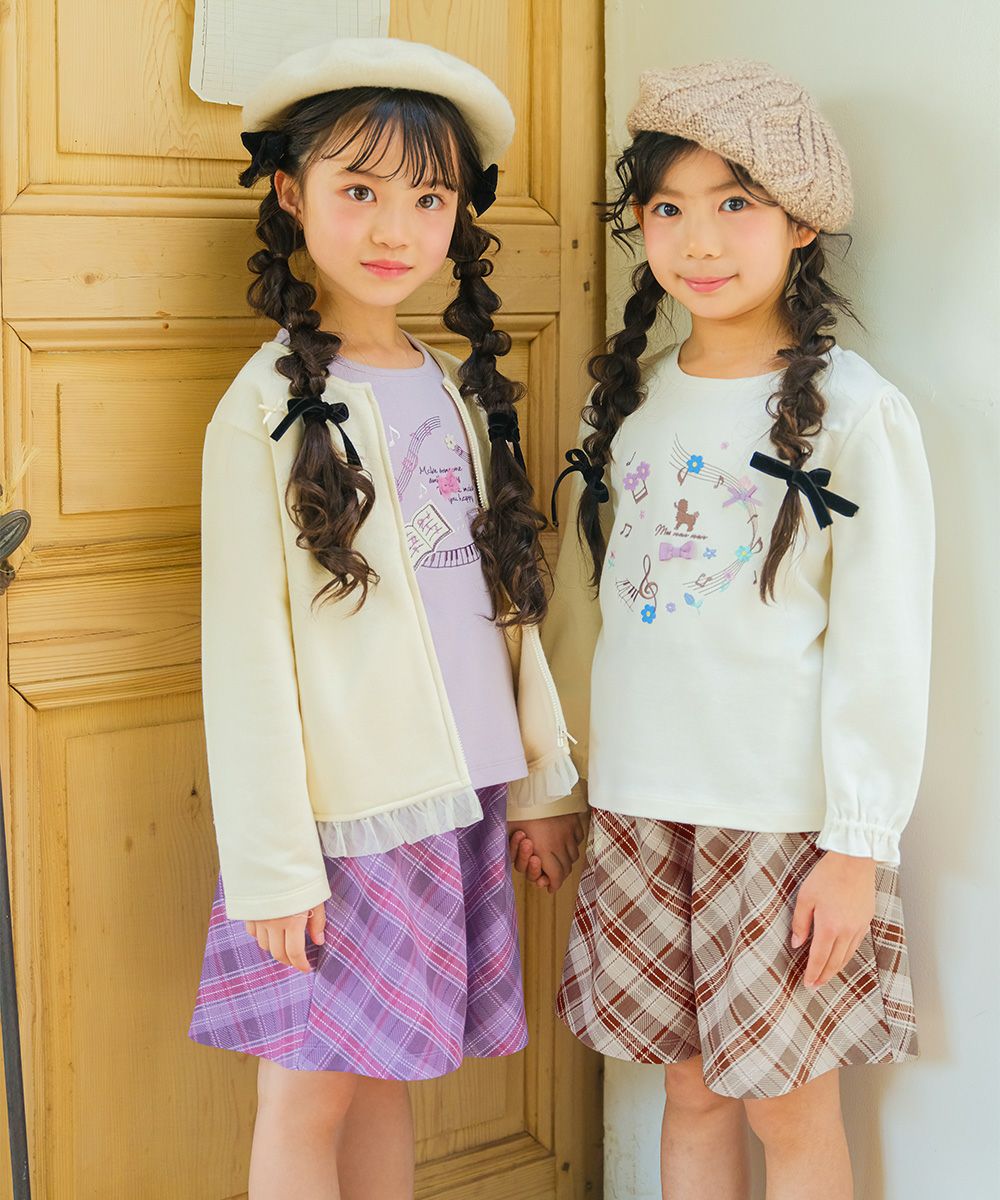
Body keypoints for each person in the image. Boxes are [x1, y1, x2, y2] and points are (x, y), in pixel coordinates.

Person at [512, 59, 934, 1200]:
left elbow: (884, 643)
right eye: (667, 208)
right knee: (690, 1094)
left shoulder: (856, 414)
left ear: (800, 223)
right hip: (642, 810)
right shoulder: (630, 402)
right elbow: (583, 611)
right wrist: (553, 783)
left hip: (782, 827)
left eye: (734, 203)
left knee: (789, 1108)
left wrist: (856, 844)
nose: (698, 240)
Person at [187, 36, 583, 1199]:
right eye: (358, 191)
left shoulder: (454, 388)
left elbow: (500, 605)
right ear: (289, 193)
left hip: (451, 801)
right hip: (340, 822)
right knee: (305, 1096)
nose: (393, 228)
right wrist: (274, 867)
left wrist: (539, 783)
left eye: (427, 198)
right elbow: (246, 656)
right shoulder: (262, 408)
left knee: (385, 1078)